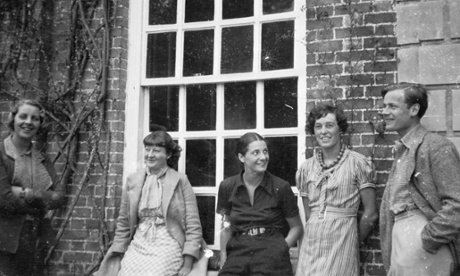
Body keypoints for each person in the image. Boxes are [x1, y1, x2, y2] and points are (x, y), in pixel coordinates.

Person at [96, 130, 203, 276]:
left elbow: (193, 224)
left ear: (168, 155)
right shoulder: (133, 180)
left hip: (169, 242)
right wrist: (117, 251)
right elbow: (123, 223)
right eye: (147, 149)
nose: (150, 154)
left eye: (157, 150)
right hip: (140, 241)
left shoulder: (180, 180)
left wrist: (188, 263)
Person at [379, 83, 460, 276]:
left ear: (414, 109)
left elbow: (456, 203)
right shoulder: (403, 149)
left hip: (424, 246)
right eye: (384, 106)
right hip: (404, 243)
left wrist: (427, 239)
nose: (384, 112)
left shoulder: (436, 146)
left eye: (392, 106)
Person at [296, 103, 378, 276]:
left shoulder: (358, 163)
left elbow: (370, 214)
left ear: (340, 129)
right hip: (312, 245)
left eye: (329, 125)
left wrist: (353, 241)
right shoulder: (305, 169)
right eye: (318, 126)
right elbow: (310, 215)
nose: (323, 131)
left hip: (343, 241)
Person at [216, 132, 303, 276]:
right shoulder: (227, 186)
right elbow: (226, 228)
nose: (263, 157)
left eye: (265, 151)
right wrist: (224, 260)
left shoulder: (281, 187)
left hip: (272, 253)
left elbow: (297, 227)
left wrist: (280, 248)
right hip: (239, 253)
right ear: (241, 157)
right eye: (256, 153)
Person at [0, 99, 65, 276]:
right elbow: (4, 200)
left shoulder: (41, 158)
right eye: (23, 116)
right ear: (13, 119)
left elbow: (59, 198)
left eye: (34, 118)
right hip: (5, 239)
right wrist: (42, 200)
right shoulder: (1, 153)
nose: (28, 122)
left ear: (40, 123)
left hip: (35, 237)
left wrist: (26, 193)